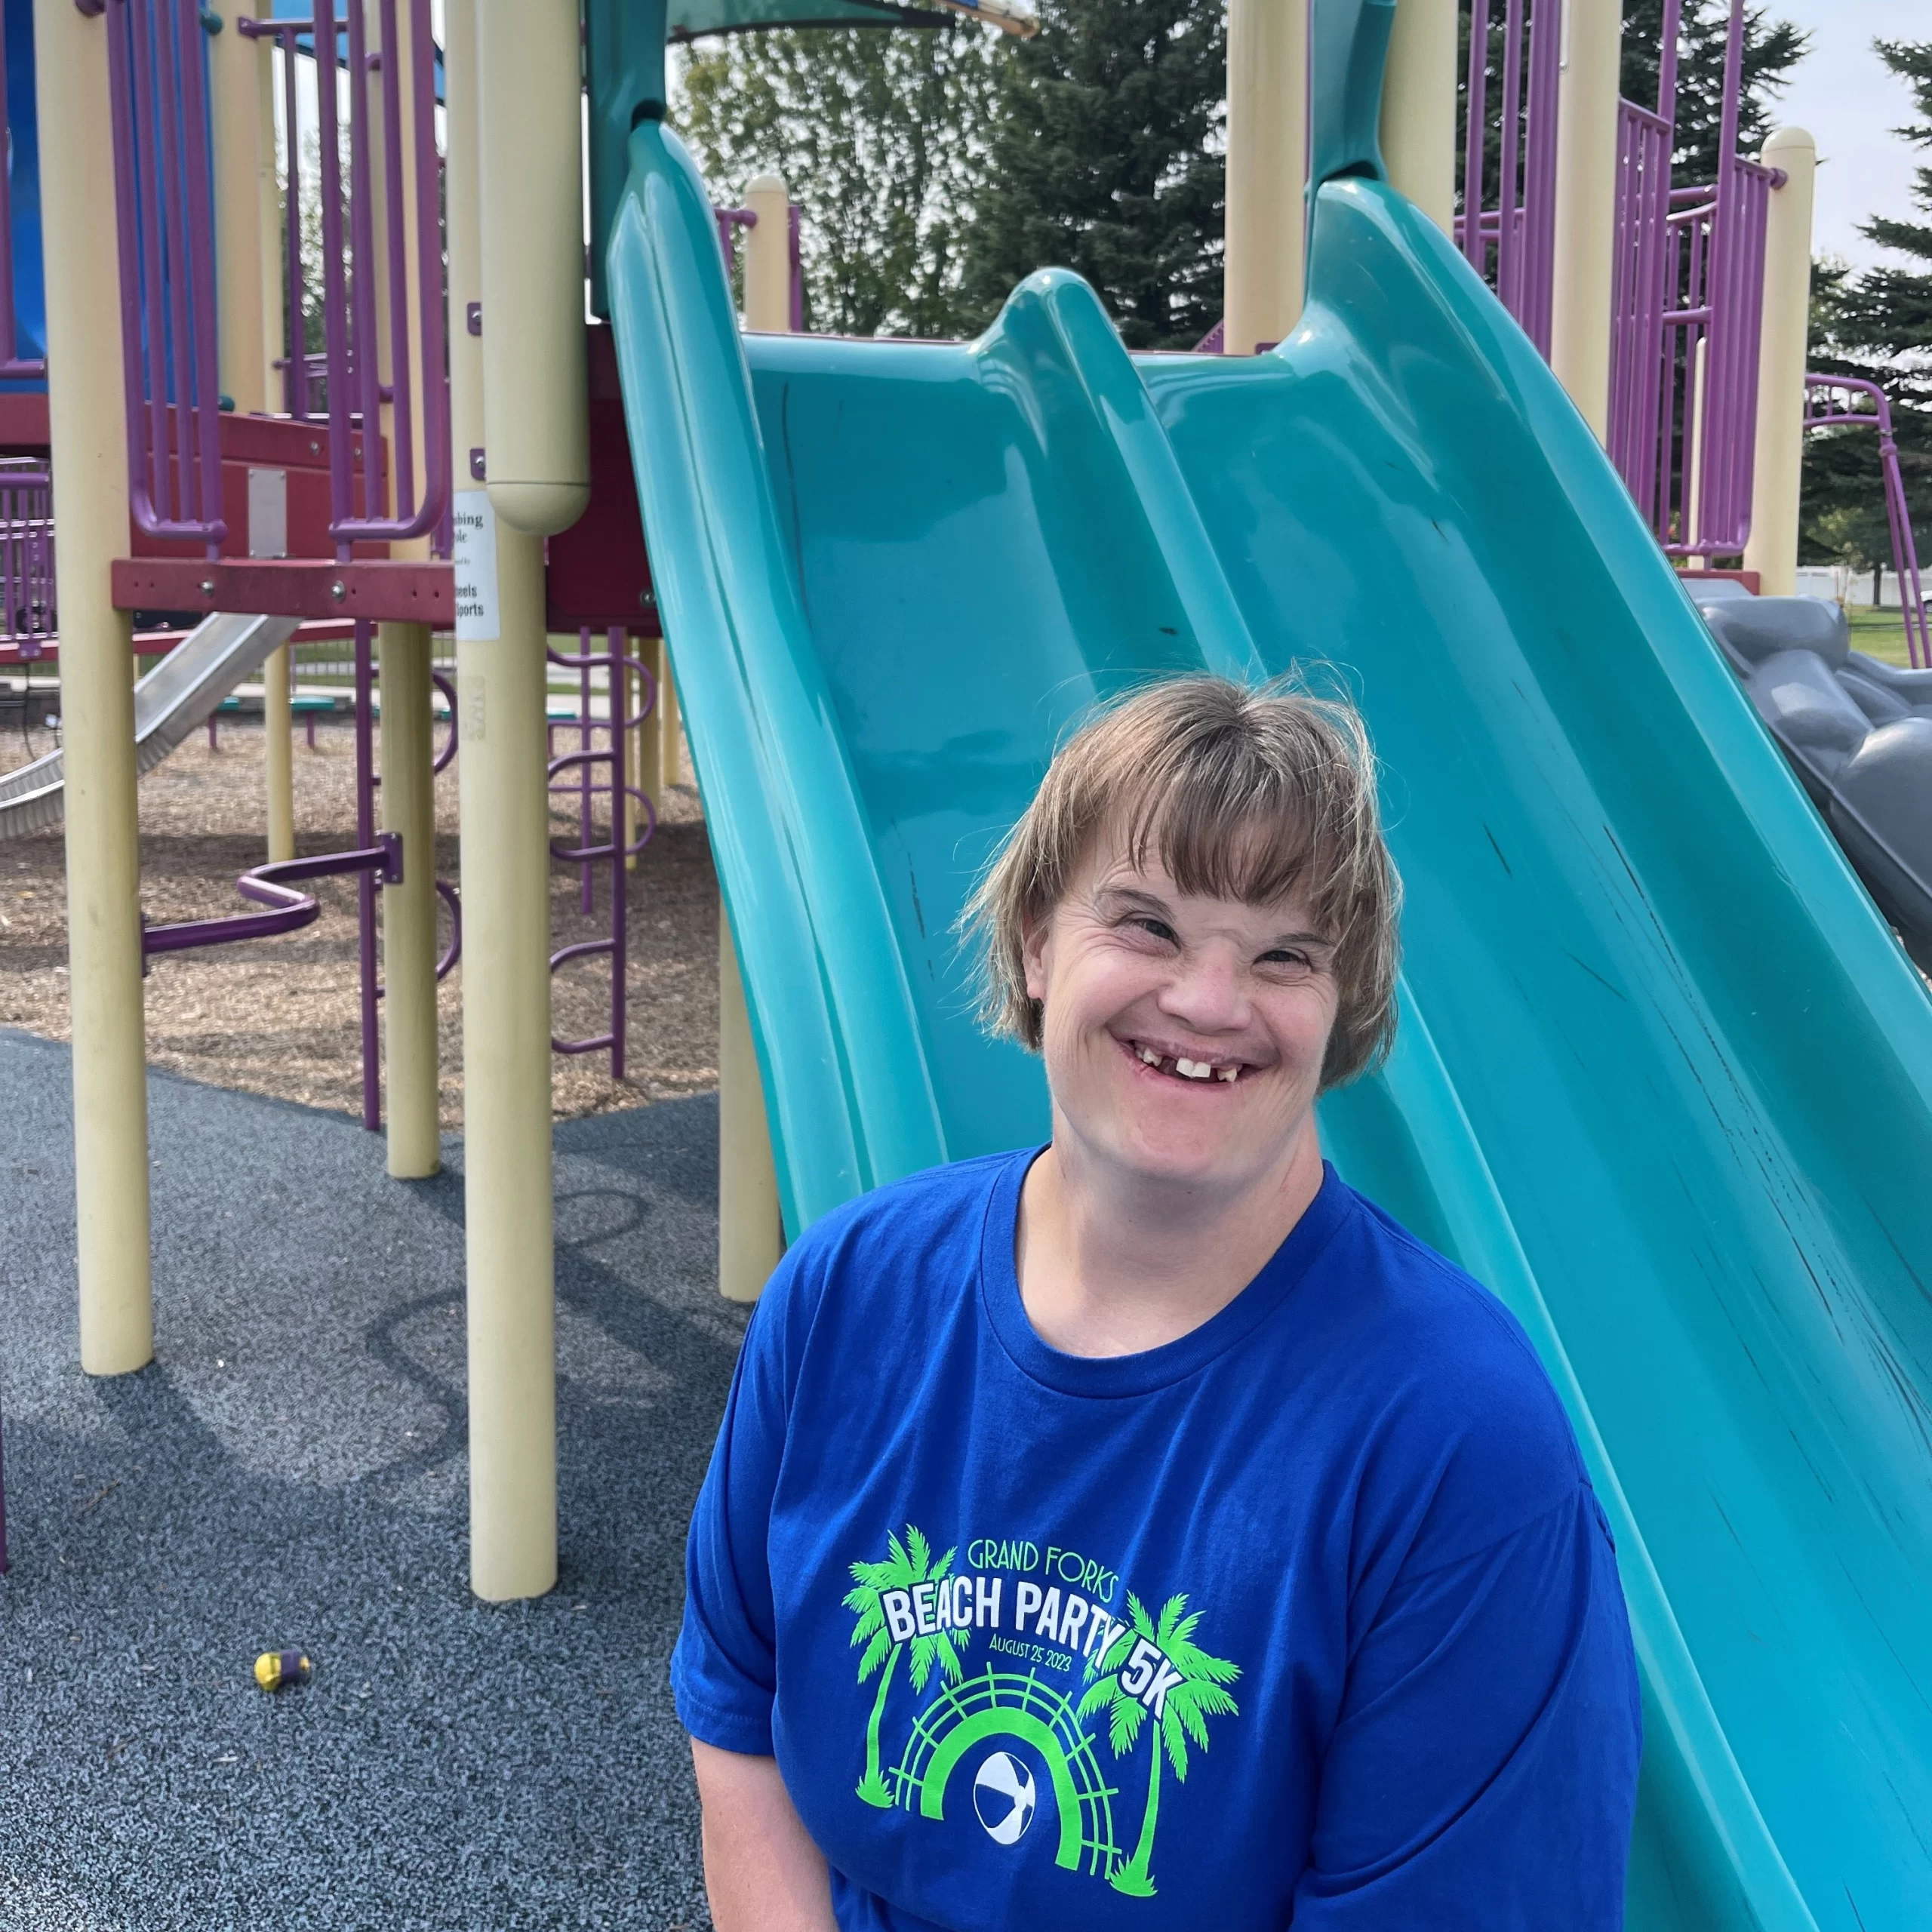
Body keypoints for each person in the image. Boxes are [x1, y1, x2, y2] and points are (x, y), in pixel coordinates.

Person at [672, 676, 1642, 1930]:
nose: (1209, 1002)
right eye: (1147, 926)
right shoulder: (846, 1297)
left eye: (1286, 953)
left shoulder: (1458, 1446)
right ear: (1034, 940)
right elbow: (739, 1706)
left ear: (1341, 1003)